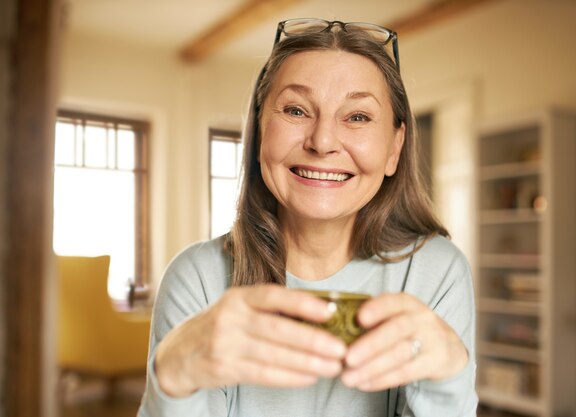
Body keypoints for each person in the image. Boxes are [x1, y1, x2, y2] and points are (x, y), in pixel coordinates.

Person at [139, 18, 477, 417]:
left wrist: (448, 381)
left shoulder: (437, 272)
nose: (322, 142)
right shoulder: (197, 277)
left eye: (357, 117)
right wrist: (173, 377)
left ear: (394, 148)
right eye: (296, 110)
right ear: (261, 131)